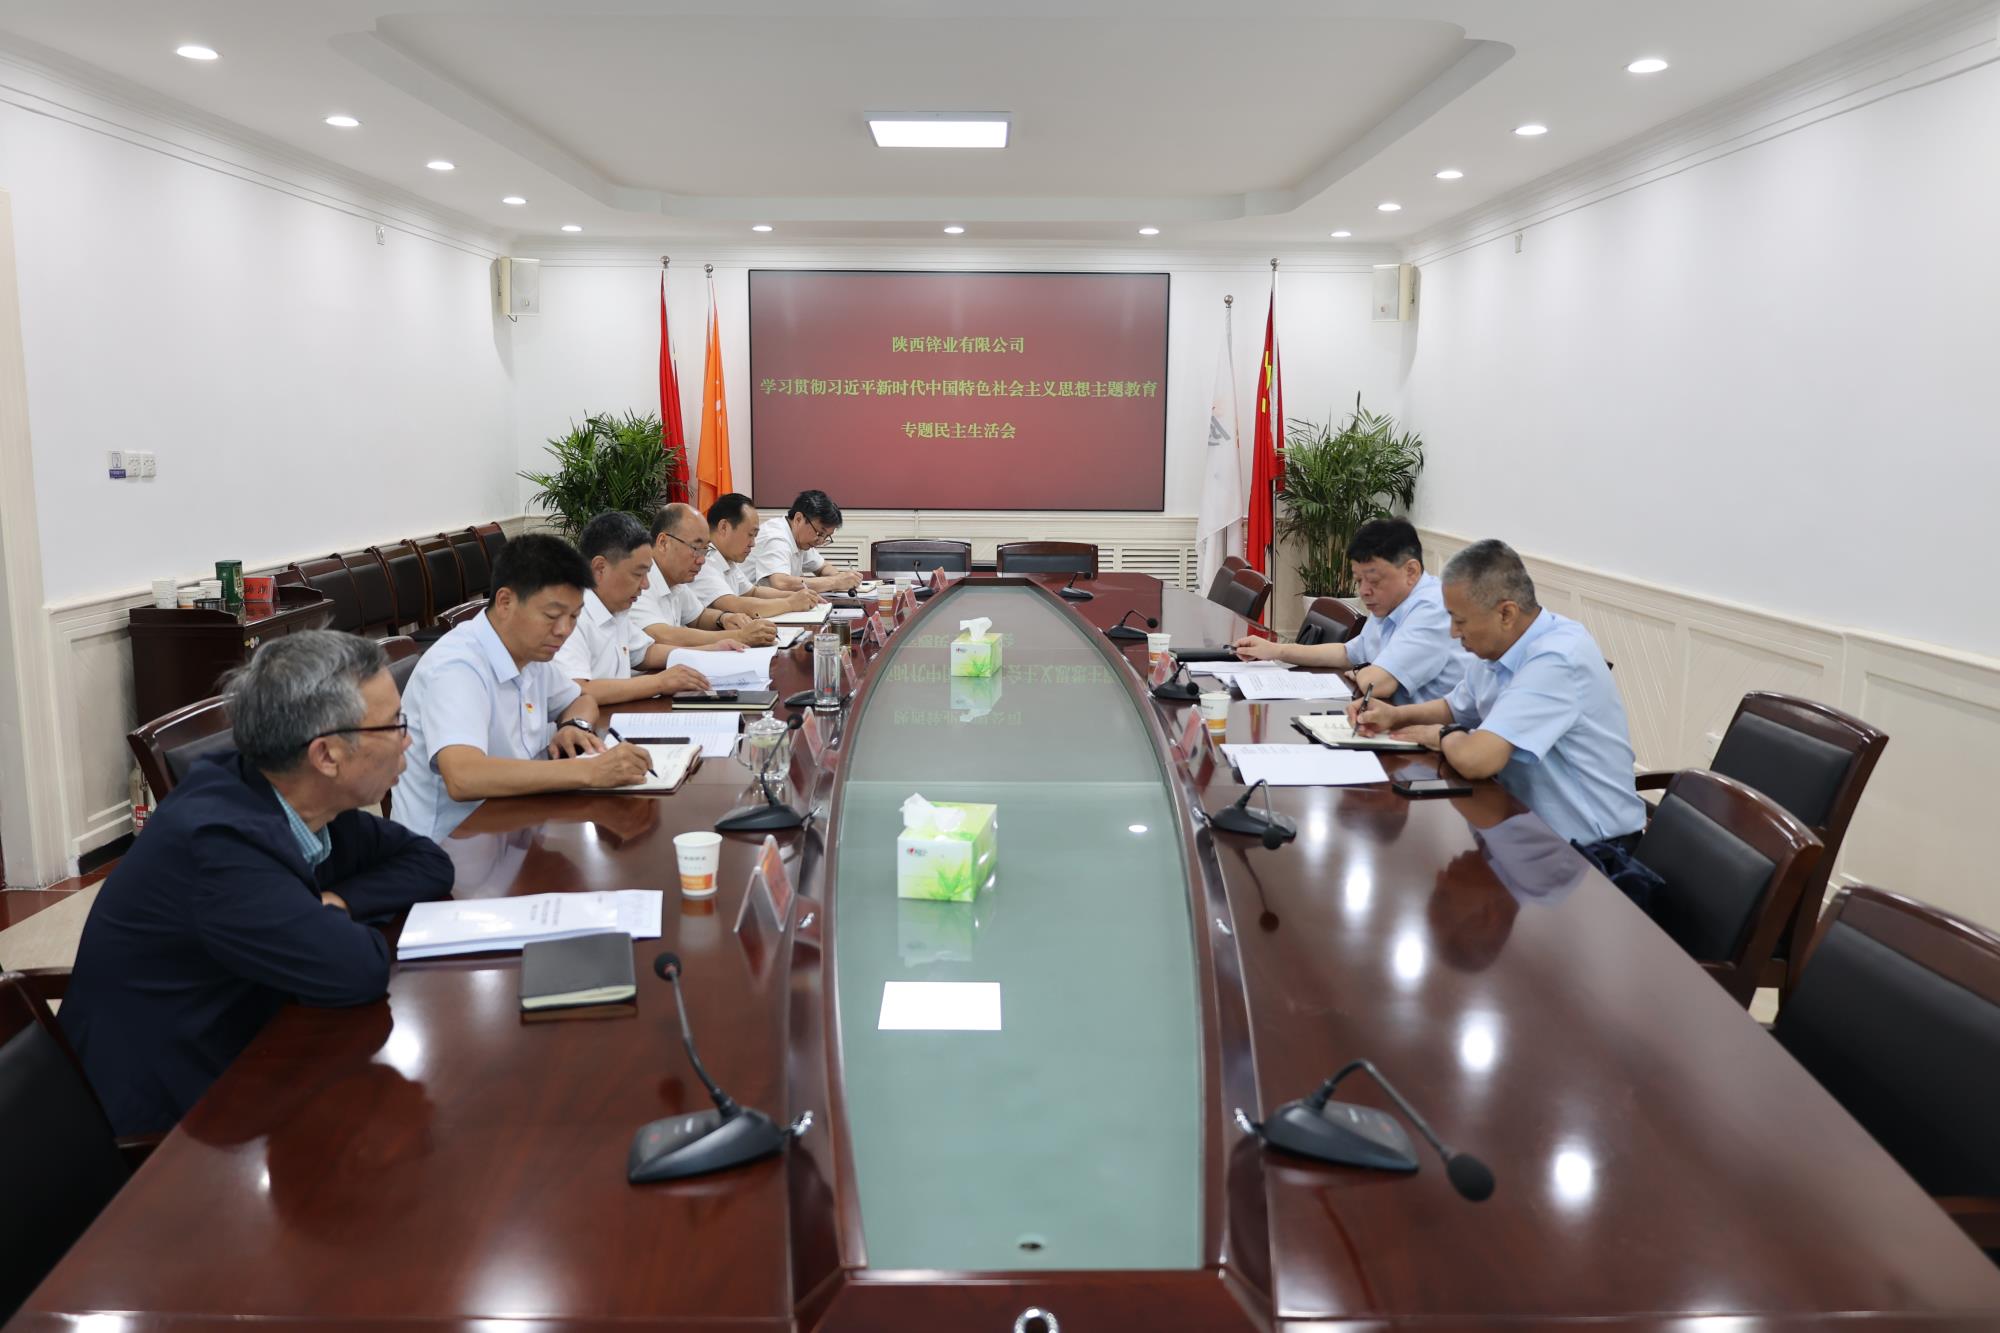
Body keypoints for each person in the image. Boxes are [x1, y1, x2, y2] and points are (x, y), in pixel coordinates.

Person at [58, 631, 454, 1136]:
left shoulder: (300, 797)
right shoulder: (219, 845)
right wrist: (328, 920)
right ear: (326, 756)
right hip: (163, 1129)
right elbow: (357, 970)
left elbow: (429, 861)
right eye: (396, 724)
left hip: (249, 1051)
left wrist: (339, 901)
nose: (408, 740)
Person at [1353, 538, 1646, 850]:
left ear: (1506, 614)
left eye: (1460, 620)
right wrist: (1394, 716)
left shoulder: (1557, 658)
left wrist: (1442, 735)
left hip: (1593, 852)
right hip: (1522, 825)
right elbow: (1455, 707)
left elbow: (1476, 760)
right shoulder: (1499, 646)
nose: (1453, 632)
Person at [392, 533, 653, 840]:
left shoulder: (531, 651)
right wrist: (591, 771)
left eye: (574, 616)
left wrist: (575, 725)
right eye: (552, 616)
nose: (564, 630)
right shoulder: (457, 667)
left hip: (516, 825)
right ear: (505, 602)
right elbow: (463, 776)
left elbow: (581, 698)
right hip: (451, 846)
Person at [1231, 517, 1464, 706]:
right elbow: (1348, 653)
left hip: (1435, 737)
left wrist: (1364, 672)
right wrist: (1276, 650)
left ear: (1411, 571)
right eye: (1359, 580)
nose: (1364, 591)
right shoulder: (1392, 602)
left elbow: (1376, 684)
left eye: (1374, 581)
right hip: (1390, 718)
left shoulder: (1433, 610)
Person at [553, 510, 717, 706]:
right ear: (600, 568)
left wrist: (711, 650)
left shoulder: (617, 607)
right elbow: (578, 690)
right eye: (638, 574)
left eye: (647, 573)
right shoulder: (571, 617)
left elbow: (645, 653)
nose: (646, 585)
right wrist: (659, 682)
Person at [632, 503, 779, 649]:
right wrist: (740, 636)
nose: (702, 560)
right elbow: (661, 636)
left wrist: (724, 619)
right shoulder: (638, 579)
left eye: (705, 549)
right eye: (696, 548)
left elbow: (698, 617)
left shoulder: (675, 579)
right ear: (663, 543)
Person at [689, 493, 821, 620]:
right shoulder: (703, 561)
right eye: (750, 534)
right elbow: (736, 605)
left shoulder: (726, 559)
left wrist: (798, 596)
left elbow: (753, 592)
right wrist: (790, 603)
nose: (753, 544)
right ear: (724, 527)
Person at [749, 489, 862, 595]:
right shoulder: (776, 537)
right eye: (820, 533)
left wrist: (842, 578)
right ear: (798, 519)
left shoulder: (800, 538)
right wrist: (835, 582)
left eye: (826, 536)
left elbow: (822, 567)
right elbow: (781, 583)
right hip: (748, 604)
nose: (820, 541)